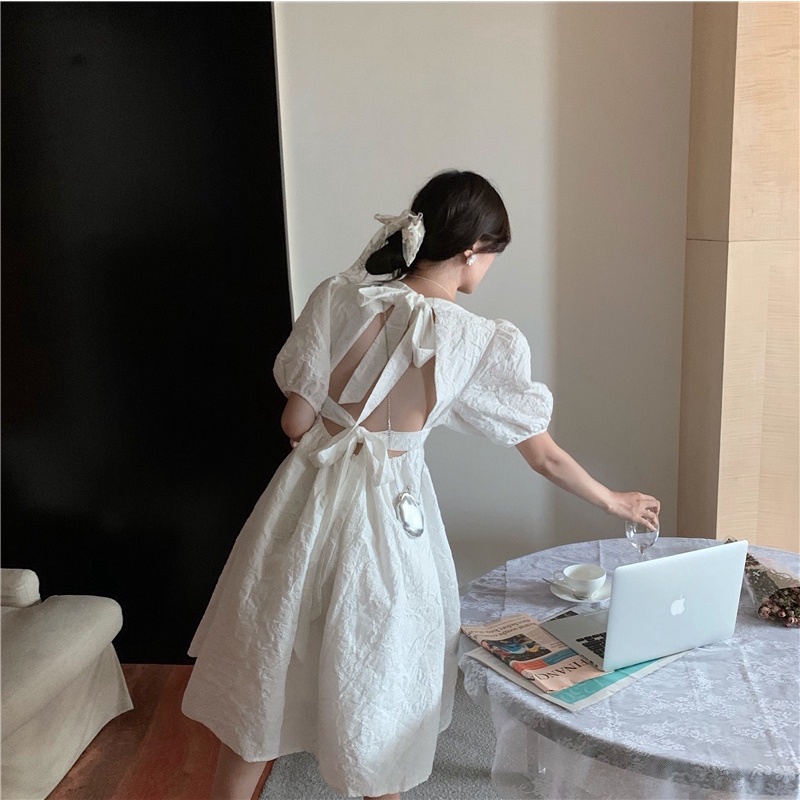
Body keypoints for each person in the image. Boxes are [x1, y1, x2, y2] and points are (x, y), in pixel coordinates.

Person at [181, 170, 660, 800]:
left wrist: (331, 434)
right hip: (389, 517)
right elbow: (543, 457)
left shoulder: (338, 296)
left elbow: (294, 422)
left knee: (270, 668)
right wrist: (613, 499)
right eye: (493, 254)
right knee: (382, 677)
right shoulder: (477, 340)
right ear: (473, 250)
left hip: (303, 506)